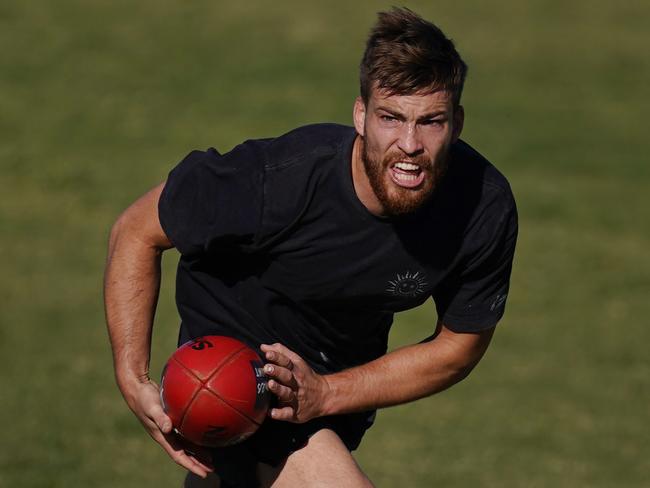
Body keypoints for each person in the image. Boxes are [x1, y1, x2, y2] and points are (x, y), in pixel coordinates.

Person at [104, 7, 517, 488]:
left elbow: (458, 347)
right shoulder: (278, 179)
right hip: (236, 364)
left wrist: (327, 393)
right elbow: (136, 230)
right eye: (391, 118)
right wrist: (132, 380)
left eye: (430, 122)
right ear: (360, 115)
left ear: (458, 123)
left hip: (330, 377)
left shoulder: (481, 207)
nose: (409, 143)